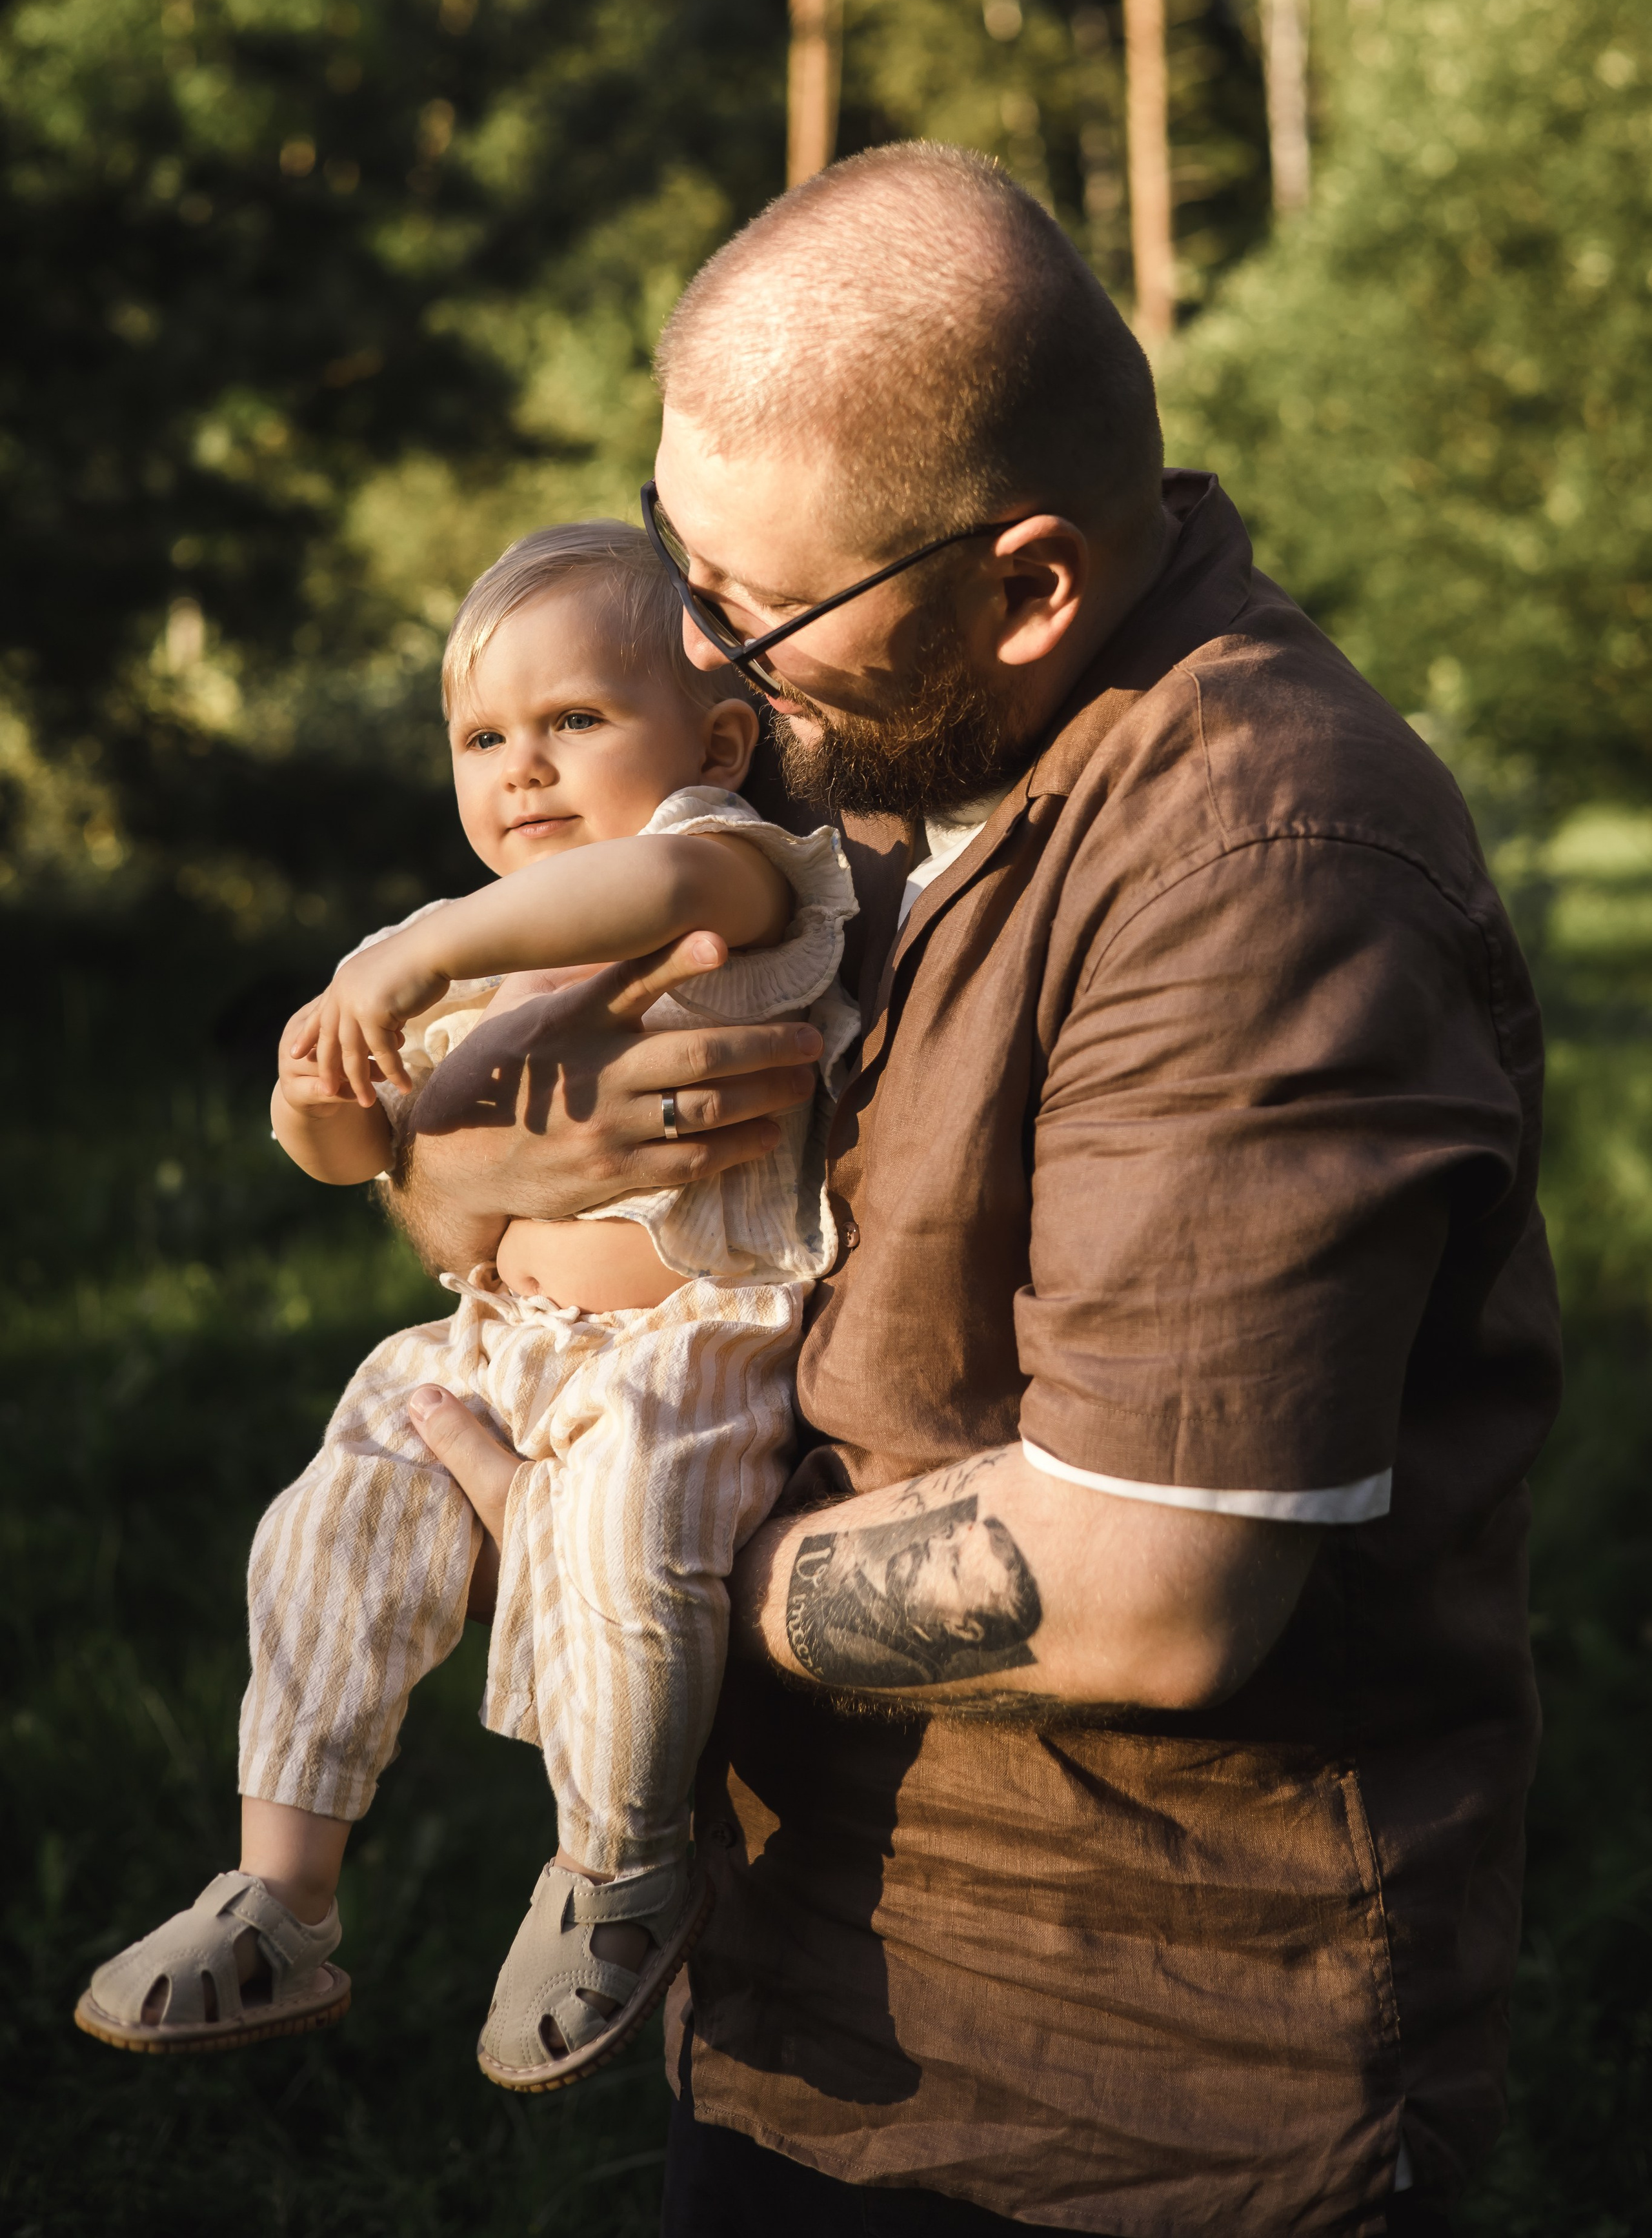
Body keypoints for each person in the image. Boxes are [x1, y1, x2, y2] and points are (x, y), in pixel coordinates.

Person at [371, 145, 1559, 2235]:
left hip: (1137, 2094)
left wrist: (601, 1559)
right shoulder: (856, 769)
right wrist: (445, 1166)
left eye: (759, 610)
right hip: (782, 1992)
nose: (704, 668)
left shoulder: (1259, 867)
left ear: (1027, 586)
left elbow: (1148, 1584)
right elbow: (503, 1196)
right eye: (681, 561)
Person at [73, 522, 859, 2090]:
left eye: (574, 720)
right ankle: (283, 1888)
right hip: (490, 1341)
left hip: (687, 1343)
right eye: (483, 737)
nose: (523, 769)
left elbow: (640, 881)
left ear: (709, 741)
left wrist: (427, 948)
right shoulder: (444, 951)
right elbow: (348, 1149)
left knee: (620, 1531)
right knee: (327, 1521)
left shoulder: (735, 866)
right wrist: (323, 1100)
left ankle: (617, 1867)